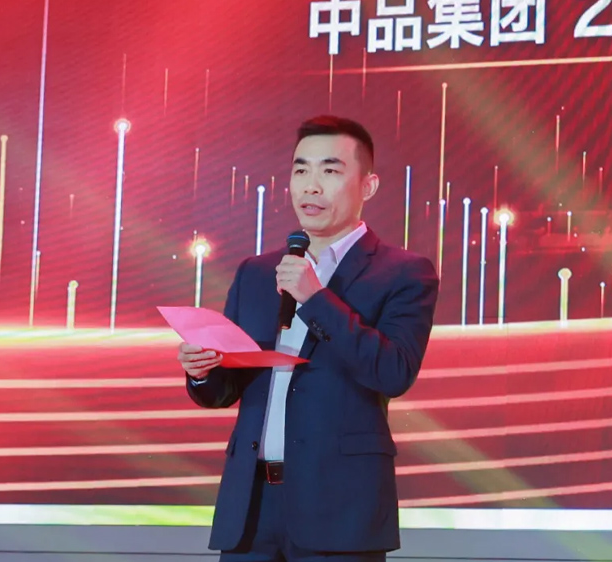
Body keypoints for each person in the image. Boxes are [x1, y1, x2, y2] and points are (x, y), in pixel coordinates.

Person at [177, 116, 439, 561]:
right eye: (301, 170)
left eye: (330, 170)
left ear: (368, 186)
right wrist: (203, 371)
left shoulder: (403, 272)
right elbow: (226, 389)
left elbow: (393, 372)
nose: (310, 186)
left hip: (340, 508)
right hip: (251, 507)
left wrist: (316, 298)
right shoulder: (257, 271)